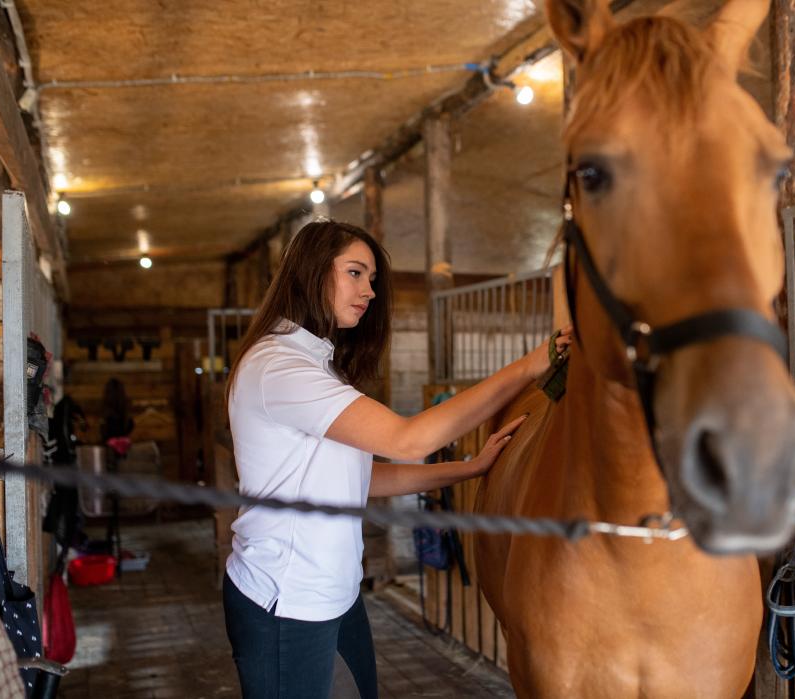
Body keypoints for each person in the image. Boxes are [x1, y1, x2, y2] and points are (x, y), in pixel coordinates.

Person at [222, 219, 572, 699]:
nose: (368, 291)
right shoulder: (280, 367)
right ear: (311, 272)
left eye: (371, 279)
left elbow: (359, 479)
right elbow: (409, 439)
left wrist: (468, 468)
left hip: (336, 593)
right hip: (288, 601)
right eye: (355, 273)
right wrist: (530, 366)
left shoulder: (317, 363)